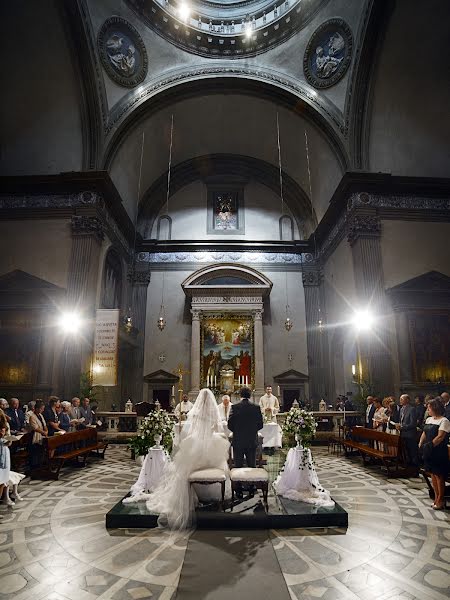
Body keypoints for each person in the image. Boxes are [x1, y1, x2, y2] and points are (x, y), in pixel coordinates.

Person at [146, 388, 230, 530]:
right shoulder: (214, 411)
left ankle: (195, 493)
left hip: (196, 442)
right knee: (217, 463)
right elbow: (217, 428)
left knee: (187, 469)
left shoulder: (195, 412)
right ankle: (213, 492)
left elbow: (192, 429)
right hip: (212, 441)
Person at [228, 387, 264, 498]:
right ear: (250, 395)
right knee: (251, 465)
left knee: (238, 466)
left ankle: (238, 489)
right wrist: (252, 431)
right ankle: (251, 488)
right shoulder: (256, 407)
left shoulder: (235, 407)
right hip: (251, 440)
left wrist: (238, 431)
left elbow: (230, 424)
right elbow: (261, 424)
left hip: (238, 440)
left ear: (240, 395)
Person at [419, 398, 450, 510]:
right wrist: (421, 443)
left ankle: (441, 500)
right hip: (429, 450)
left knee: (439, 476)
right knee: (432, 474)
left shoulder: (444, 421)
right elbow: (424, 432)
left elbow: (440, 437)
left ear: (435, 408)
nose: (428, 410)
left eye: (429, 408)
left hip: (438, 451)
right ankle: (436, 498)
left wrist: (429, 446)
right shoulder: (429, 419)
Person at [396, 394, 419, 474]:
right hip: (403, 434)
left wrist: (402, 427)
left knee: (412, 452)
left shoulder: (412, 409)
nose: (400, 400)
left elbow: (413, 424)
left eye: (402, 399)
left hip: (410, 434)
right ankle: (408, 468)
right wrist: (398, 425)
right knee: (406, 452)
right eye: (400, 399)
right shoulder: (401, 409)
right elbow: (401, 420)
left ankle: (415, 469)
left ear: (407, 400)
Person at [28, 400, 48, 469]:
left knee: (40, 452)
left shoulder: (41, 415)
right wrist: (43, 432)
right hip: (35, 436)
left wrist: (46, 430)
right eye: (41, 409)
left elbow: (44, 424)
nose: (43, 410)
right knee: (35, 453)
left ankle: (40, 465)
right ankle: (34, 468)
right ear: (37, 408)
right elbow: (35, 428)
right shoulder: (32, 416)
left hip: (42, 436)